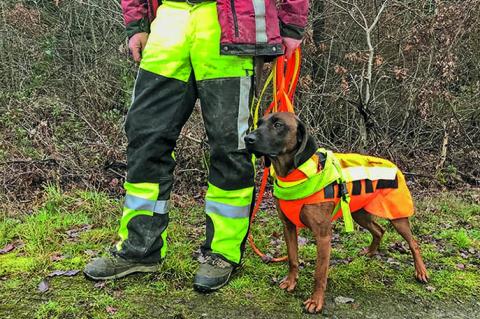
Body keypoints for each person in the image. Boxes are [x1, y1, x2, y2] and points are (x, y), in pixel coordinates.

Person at [83, 0, 309, 292]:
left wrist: (291, 25)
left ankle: (222, 253)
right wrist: (137, 24)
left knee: (232, 145)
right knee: (145, 139)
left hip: (230, 26)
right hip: (169, 24)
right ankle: (139, 248)